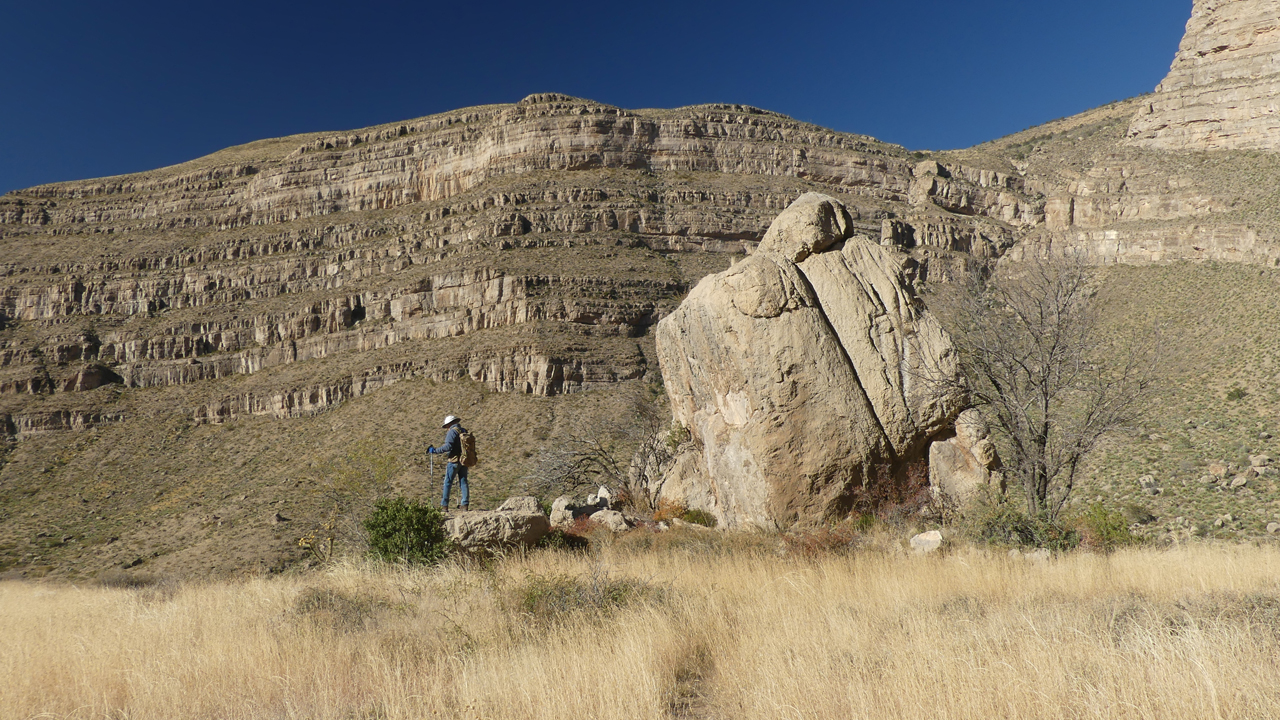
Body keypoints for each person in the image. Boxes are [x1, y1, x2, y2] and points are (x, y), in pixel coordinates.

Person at [427, 415, 468, 511]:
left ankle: (444, 505)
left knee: (448, 482)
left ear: (450, 423)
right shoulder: (463, 430)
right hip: (464, 460)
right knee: (463, 481)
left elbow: (448, 447)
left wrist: (435, 450)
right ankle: (465, 504)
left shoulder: (452, 432)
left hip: (453, 460)